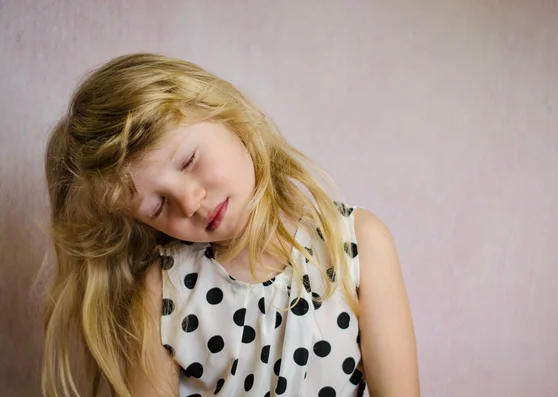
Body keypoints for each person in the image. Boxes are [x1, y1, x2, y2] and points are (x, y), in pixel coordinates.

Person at [41, 53, 419, 397]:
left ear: (226, 115)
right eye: (158, 206)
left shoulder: (356, 244)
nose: (190, 203)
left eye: (189, 160)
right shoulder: (165, 293)